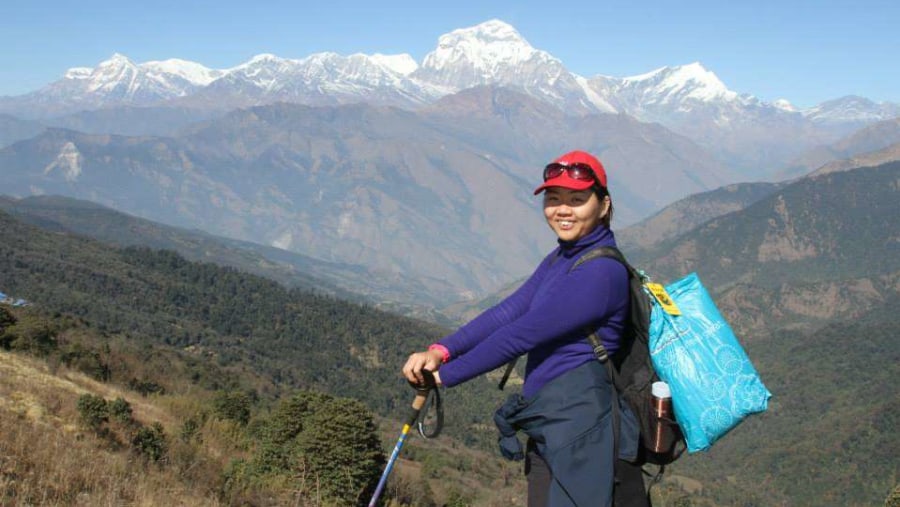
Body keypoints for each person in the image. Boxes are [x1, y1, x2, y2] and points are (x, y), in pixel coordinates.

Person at [402, 150, 648, 507]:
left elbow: (522, 333)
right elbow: (509, 312)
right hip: (555, 422)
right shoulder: (565, 256)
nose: (562, 210)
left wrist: (443, 377)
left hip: (582, 435)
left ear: (604, 205)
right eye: (553, 199)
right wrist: (441, 351)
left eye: (577, 200)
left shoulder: (601, 273)